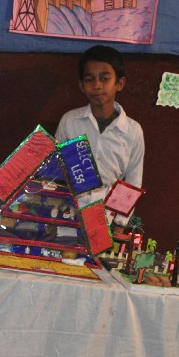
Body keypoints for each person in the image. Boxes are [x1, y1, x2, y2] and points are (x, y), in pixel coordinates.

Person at [55, 45, 144, 226]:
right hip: (68, 213)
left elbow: (132, 183)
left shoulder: (133, 131)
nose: (96, 85)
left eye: (104, 78)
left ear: (120, 83)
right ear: (81, 85)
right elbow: (55, 167)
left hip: (107, 219)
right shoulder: (70, 121)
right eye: (89, 79)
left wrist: (119, 226)